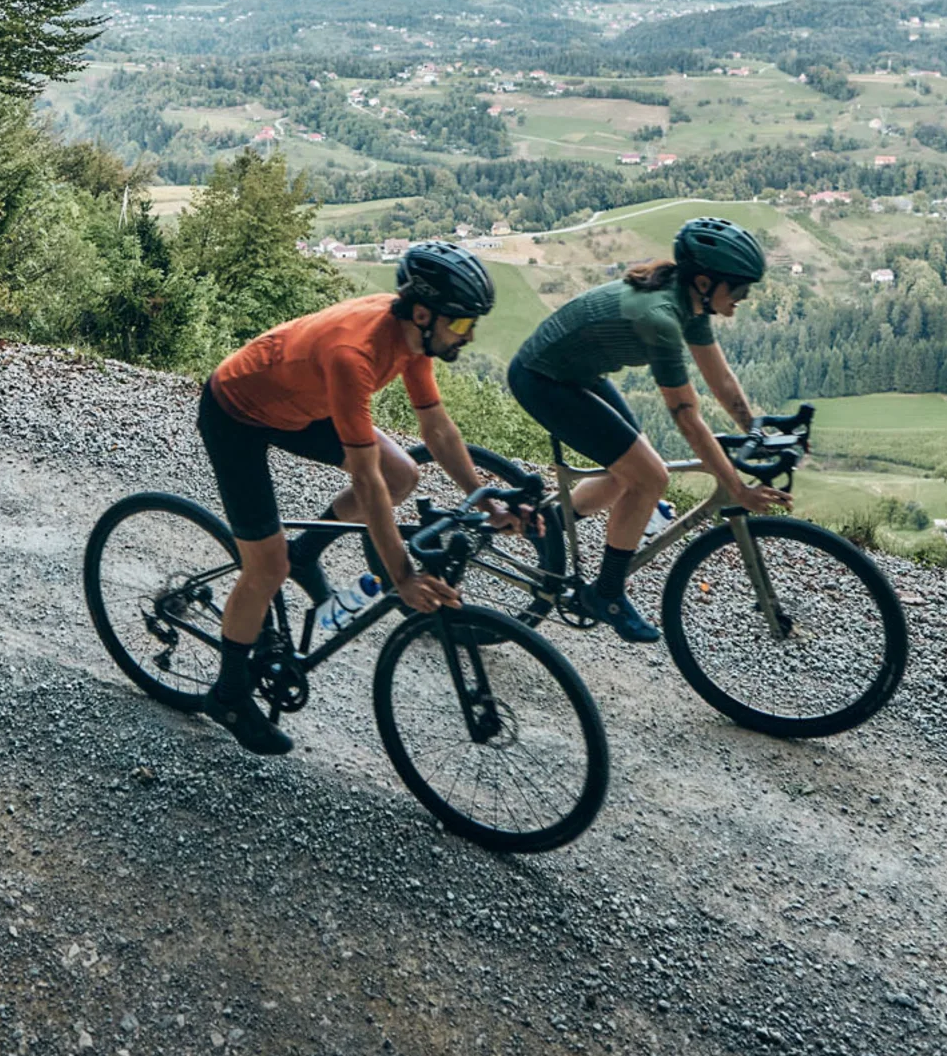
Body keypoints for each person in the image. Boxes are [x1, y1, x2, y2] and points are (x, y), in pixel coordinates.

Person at [195, 241, 504, 755]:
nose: (467, 337)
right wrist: (402, 576)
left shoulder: (411, 338)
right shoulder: (354, 353)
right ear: (424, 313)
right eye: (463, 325)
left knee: (403, 473)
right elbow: (365, 482)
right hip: (238, 413)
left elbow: (438, 430)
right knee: (264, 570)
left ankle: (304, 554)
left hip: (301, 404)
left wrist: (486, 501)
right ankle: (227, 695)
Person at [506, 216, 789, 645]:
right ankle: (608, 594)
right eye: (741, 288)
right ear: (705, 282)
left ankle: (545, 524)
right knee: (650, 476)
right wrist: (736, 486)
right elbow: (688, 419)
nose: (745, 298)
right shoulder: (660, 318)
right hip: (541, 378)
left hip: (578, 375)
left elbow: (722, 381)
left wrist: (756, 432)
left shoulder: (690, 303)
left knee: (630, 473)